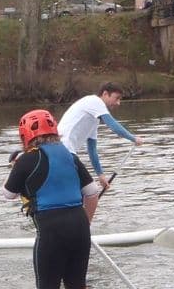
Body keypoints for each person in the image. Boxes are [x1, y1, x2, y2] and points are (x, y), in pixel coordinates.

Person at [3, 109, 101, 289]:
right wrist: (85, 224)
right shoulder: (70, 155)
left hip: (51, 228)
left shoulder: (27, 159)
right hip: (79, 225)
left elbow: (9, 194)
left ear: (26, 135)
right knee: (77, 285)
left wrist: (17, 167)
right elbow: (91, 193)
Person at [58, 82, 144, 219]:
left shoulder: (94, 118)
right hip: (63, 152)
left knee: (80, 195)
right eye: (116, 98)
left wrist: (101, 175)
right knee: (91, 191)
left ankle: (75, 226)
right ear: (105, 94)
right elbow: (113, 126)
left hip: (64, 153)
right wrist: (133, 138)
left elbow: (92, 149)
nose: (118, 103)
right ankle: (83, 230)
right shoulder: (94, 101)